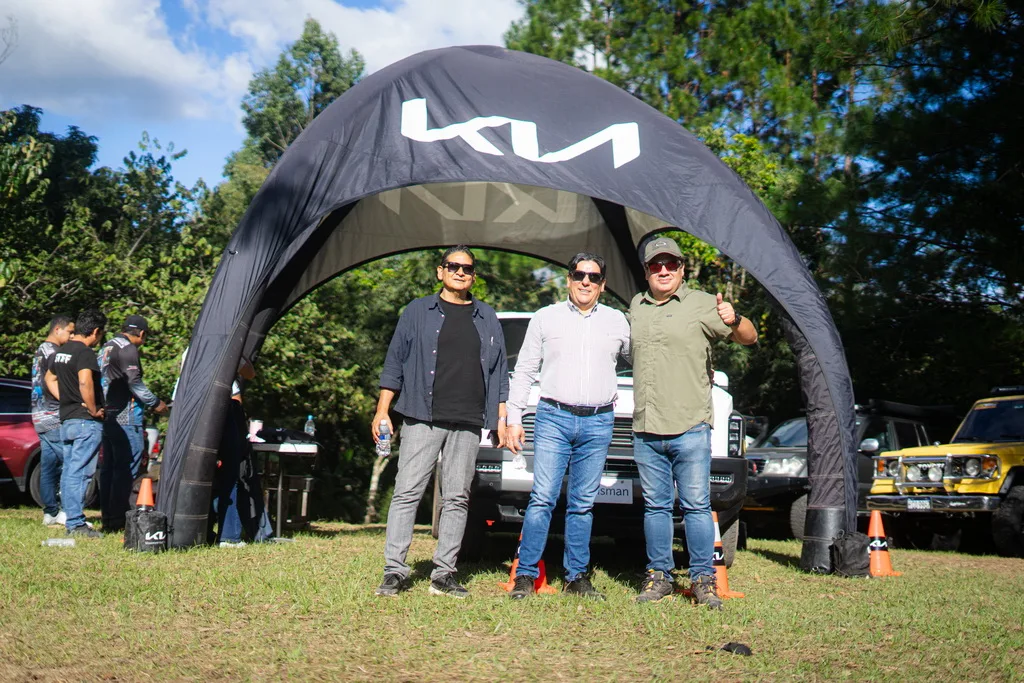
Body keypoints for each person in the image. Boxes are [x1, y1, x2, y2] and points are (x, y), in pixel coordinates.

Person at [372, 246, 508, 599]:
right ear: (440, 271)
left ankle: (444, 573)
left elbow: (498, 373)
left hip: (468, 420)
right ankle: (394, 571)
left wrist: (500, 418)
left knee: (457, 498)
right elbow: (394, 362)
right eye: (453, 266)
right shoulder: (418, 311)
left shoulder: (486, 316)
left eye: (467, 268)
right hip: (422, 415)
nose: (460, 272)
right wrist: (383, 410)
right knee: (407, 492)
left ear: (474, 276)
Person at [629, 236, 758, 608]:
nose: (664, 270)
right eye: (656, 265)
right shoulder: (636, 306)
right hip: (646, 428)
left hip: (689, 426)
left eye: (671, 264)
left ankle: (703, 580)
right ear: (647, 271)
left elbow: (749, 338)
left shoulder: (702, 304)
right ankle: (659, 578)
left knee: (696, 506)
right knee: (655, 507)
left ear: (682, 269)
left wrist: (735, 319)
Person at [505, 253, 630, 601]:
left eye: (593, 276)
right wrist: (514, 418)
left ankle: (576, 577)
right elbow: (525, 370)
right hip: (553, 418)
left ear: (603, 284)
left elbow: (647, 361)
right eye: (579, 275)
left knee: (583, 504)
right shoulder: (545, 318)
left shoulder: (618, 321)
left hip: (599, 420)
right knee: (542, 498)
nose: (585, 281)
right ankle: (525, 576)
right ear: (568, 279)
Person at [97, 315, 169, 532]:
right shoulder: (128, 349)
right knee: (127, 468)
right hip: (127, 417)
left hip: (107, 415)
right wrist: (156, 403)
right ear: (142, 333)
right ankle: (120, 519)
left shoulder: (106, 347)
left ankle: (108, 516)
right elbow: (134, 382)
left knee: (109, 468)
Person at [48, 309, 108, 537]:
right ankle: (75, 523)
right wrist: (92, 409)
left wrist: (65, 398)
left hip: (67, 419)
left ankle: (70, 517)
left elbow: (49, 378)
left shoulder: (62, 352)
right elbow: (85, 382)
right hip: (85, 422)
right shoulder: (85, 353)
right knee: (81, 472)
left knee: (69, 471)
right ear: (95, 331)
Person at [31, 314, 75, 526]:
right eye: (70, 332)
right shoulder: (56, 354)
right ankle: (67, 511)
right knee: (69, 463)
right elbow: (56, 383)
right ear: (58, 329)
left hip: (39, 415)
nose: (72, 336)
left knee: (48, 465)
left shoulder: (40, 350)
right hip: (54, 416)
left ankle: (50, 512)